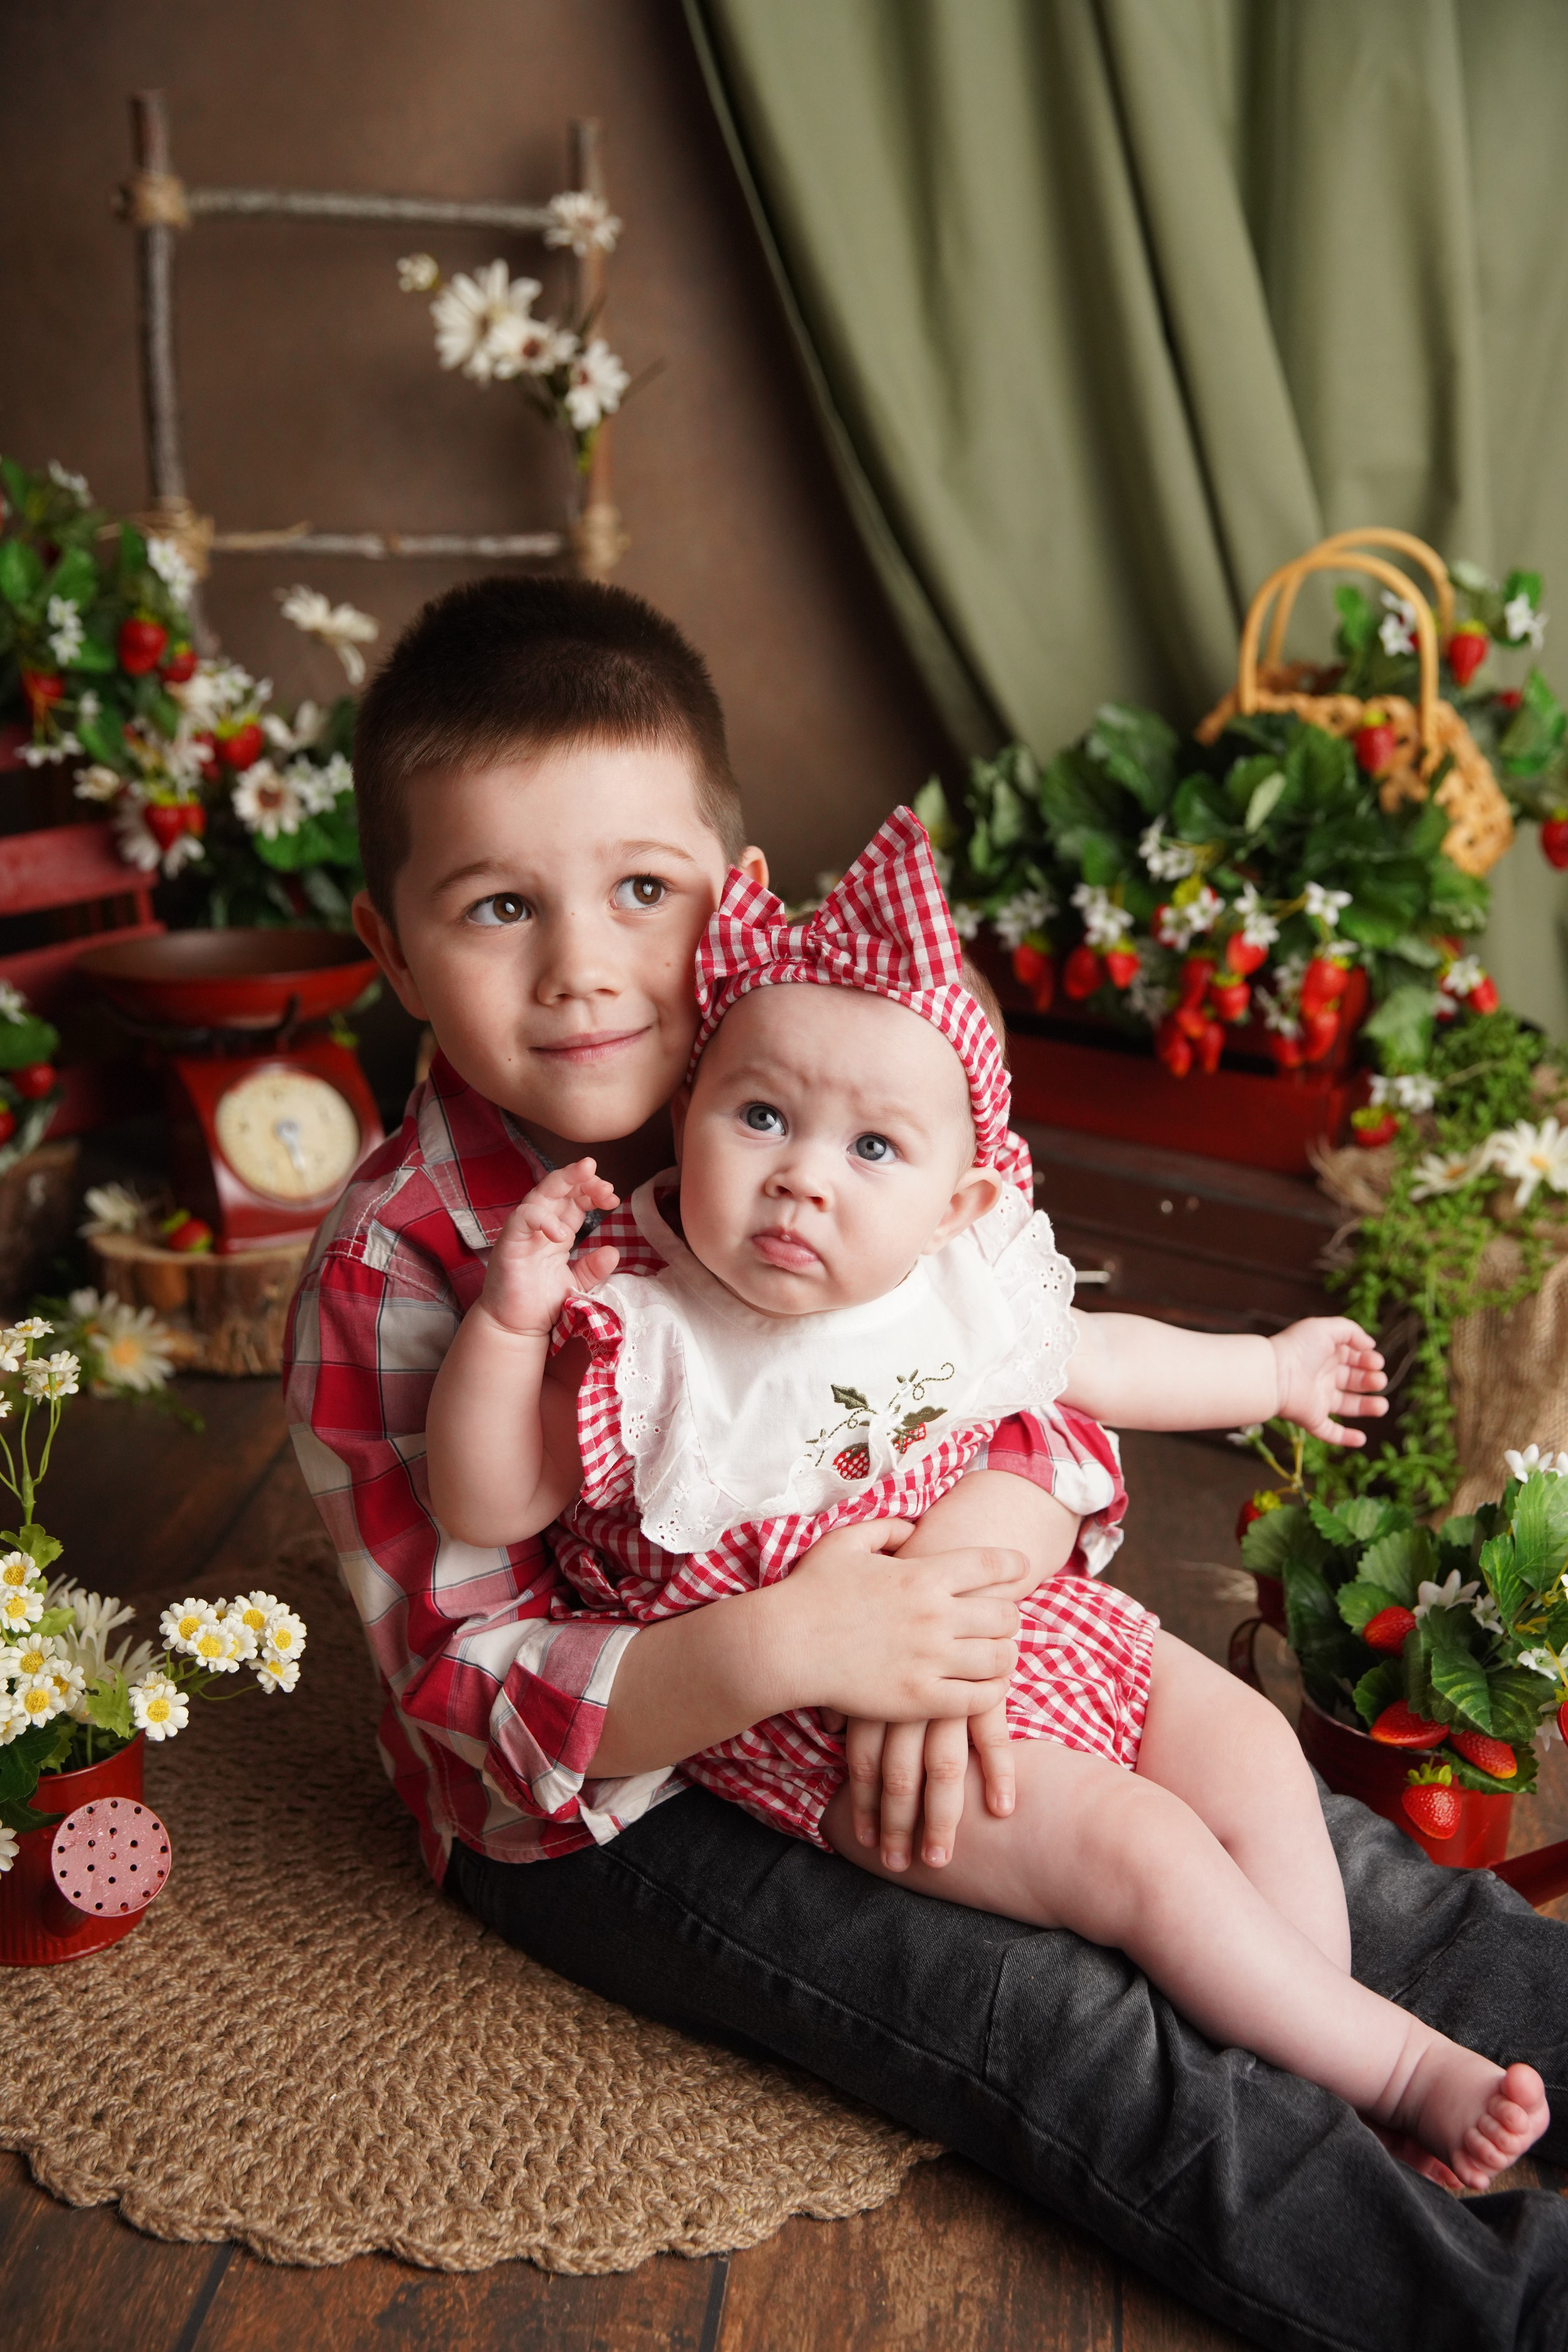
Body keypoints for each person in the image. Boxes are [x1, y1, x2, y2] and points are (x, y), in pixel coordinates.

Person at [285, 576, 1568, 2348]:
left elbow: (1020, 1377)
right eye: (501, 906)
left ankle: (1437, 2042)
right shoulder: (401, 1263)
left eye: (640, 892)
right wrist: (797, 1652)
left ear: (727, 898)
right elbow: (462, 1695)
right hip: (618, 1801)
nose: (585, 968)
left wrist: (944, 1605)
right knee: (1055, 2009)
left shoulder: (820, 1081)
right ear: (390, 945)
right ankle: (1496, 2307)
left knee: (1313, 1852)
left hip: (935, 1621)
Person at [420, 807, 1545, 2192]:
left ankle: (1308, 2039)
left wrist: (1270, 1366)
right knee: (1142, 1855)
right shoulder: (639, 1331)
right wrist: (505, 1328)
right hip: (835, 1733)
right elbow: (485, 1495)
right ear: (688, 1112)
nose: (800, 1178)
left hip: (1048, 1632)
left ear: (960, 1203)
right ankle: (1389, 2072)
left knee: (1252, 1751)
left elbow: (1106, 1361)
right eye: (759, 1115)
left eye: (871, 1150)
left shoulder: (957, 1286)